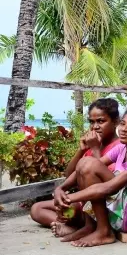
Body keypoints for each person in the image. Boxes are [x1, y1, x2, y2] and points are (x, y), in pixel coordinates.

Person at [53, 105, 127, 247]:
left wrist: (67, 199)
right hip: (122, 206)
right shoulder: (122, 148)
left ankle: (104, 231)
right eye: (123, 123)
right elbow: (87, 167)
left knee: (89, 164)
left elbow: (109, 188)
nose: (124, 129)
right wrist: (60, 189)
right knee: (85, 163)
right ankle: (90, 226)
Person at [30, 98, 121, 237]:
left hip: (104, 204)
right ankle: (70, 226)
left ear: (115, 122)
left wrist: (96, 150)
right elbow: (70, 175)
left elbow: (107, 185)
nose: (95, 126)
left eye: (101, 121)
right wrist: (81, 150)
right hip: (84, 203)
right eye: (91, 122)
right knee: (37, 208)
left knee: (70, 205)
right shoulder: (93, 144)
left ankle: (91, 226)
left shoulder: (120, 147)